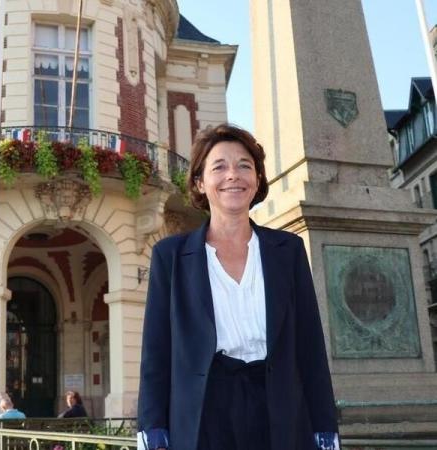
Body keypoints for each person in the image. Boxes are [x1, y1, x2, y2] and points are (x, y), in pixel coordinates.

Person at [137, 124, 339, 450]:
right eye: (219, 167)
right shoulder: (170, 256)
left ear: (257, 180)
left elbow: (310, 345)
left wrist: (325, 425)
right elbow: (156, 351)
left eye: (245, 165)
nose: (234, 175)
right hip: (204, 414)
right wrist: (152, 426)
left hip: (279, 410)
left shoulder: (288, 250)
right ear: (201, 183)